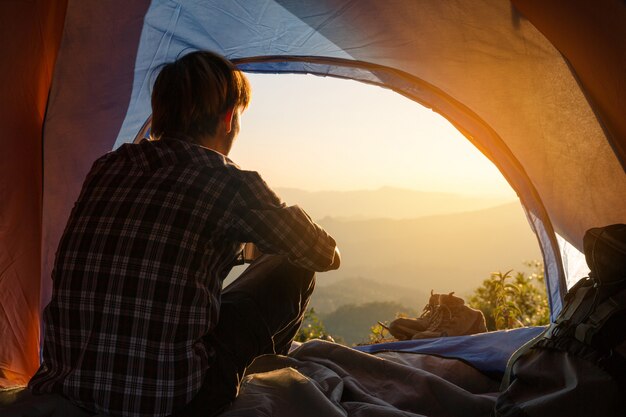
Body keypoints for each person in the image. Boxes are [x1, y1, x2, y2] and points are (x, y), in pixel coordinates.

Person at [28, 50, 341, 417]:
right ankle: (254, 380)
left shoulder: (107, 167)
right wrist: (271, 216)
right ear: (228, 118)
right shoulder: (227, 181)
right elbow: (324, 254)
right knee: (294, 266)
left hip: (71, 383)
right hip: (171, 401)